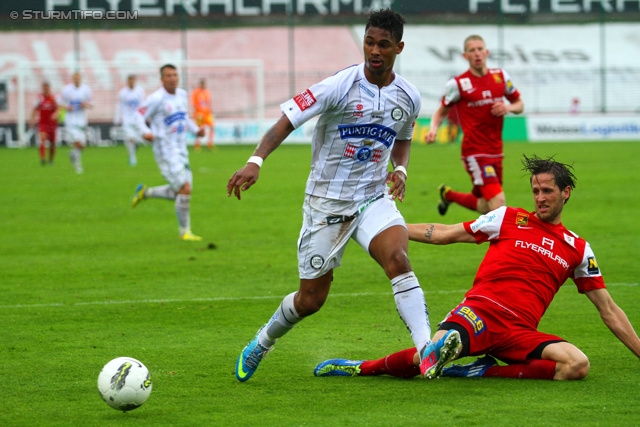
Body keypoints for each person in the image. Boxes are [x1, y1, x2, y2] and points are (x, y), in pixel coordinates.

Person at [226, 8, 448, 383]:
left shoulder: (409, 96)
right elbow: (288, 119)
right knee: (311, 300)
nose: (374, 51)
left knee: (398, 258)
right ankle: (263, 341)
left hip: (373, 197)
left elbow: (404, 136)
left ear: (399, 47)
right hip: (326, 203)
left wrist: (401, 169)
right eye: (369, 42)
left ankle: (426, 351)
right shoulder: (339, 86)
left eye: (383, 44)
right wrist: (256, 160)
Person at [314, 154, 640, 381]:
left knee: (576, 365)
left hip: (519, 332)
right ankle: (361, 367)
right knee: (430, 354)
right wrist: (384, 228)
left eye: (547, 191)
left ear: (565, 193)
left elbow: (608, 309)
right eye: (536, 191)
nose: (539, 198)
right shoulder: (508, 218)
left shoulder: (578, 249)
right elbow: (445, 233)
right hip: (480, 313)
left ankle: (479, 370)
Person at [426, 35, 524, 216]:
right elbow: (441, 111)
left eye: (480, 49)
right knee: (498, 202)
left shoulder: (500, 77)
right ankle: (500, 244)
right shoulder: (458, 84)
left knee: (485, 205)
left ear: (486, 53)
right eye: (472, 50)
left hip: (496, 150)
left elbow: (520, 105)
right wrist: (433, 130)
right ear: (465, 56)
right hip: (475, 152)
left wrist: (508, 107)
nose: (477, 53)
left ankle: (449, 195)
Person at [130, 64, 205, 241]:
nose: (172, 78)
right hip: (165, 150)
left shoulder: (182, 95)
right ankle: (184, 232)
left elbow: (184, 117)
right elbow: (137, 116)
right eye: (168, 75)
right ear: (162, 79)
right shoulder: (156, 99)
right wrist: (145, 132)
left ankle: (145, 193)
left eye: (174, 74)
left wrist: (196, 131)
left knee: (181, 192)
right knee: (184, 189)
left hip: (181, 150)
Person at [59, 72, 92, 174]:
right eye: (75, 78)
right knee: (78, 143)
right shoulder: (67, 90)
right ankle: (78, 166)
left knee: (82, 146)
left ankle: (72, 154)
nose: (77, 80)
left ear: (81, 79)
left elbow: (91, 104)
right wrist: (67, 107)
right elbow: (60, 102)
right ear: (72, 79)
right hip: (71, 121)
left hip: (82, 121)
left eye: (78, 78)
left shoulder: (86, 90)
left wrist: (85, 105)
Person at [114, 75, 146, 166]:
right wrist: (117, 118)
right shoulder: (123, 92)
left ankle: (134, 147)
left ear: (135, 81)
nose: (131, 82)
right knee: (130, 138)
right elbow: (120, 106)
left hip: (137, 119)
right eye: (130, 81)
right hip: (127, 120)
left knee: (138, 140)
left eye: (133, 81)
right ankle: (132, 157)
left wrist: (144, 116)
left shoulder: (140, 91)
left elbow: (143, 104)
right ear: (127, 82)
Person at [30, 82, 59, 165]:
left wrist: (56, 113)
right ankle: (43, 159)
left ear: (49, 88)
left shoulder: (54, 98)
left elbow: (59, 108)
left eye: (47, 87)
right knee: (42, 140)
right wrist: (32, 119)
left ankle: (51, 160)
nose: (46, 88)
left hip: (52, 124)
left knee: (52, 143)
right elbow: (35, 109)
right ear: (42, 88)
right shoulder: (39, 98)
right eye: (44, 87)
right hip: (43, 123)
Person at [190, 78, 215, 151]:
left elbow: (208, 103)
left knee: (212, 127)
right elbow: (194, 103)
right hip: (199, 114)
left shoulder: (207, 92)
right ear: (200, 84)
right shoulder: (196, 92)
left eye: (204, 84)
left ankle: (210, 144)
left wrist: (210, 111)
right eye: (202, 83)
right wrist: (197, 113)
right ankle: (197, 145)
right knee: (199, 129)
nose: (203, 85)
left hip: (207, 113)